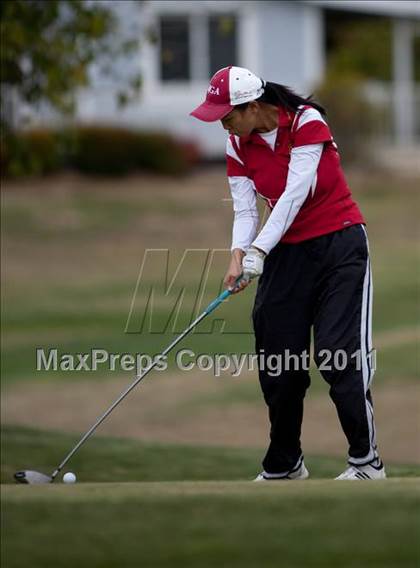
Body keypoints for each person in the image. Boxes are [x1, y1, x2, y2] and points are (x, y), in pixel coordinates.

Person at [190, 66, 386, 481]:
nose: (223, 123)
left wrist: (259, 249)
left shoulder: (306, 122)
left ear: (253, 106)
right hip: (286, 254)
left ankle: (366, 462)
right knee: (278, 361)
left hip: (339, 247)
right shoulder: (237, 144)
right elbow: (245, 209)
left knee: (339, 358)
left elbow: (295, 195)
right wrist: (237, 255)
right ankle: (285, 464)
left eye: (227, 114)